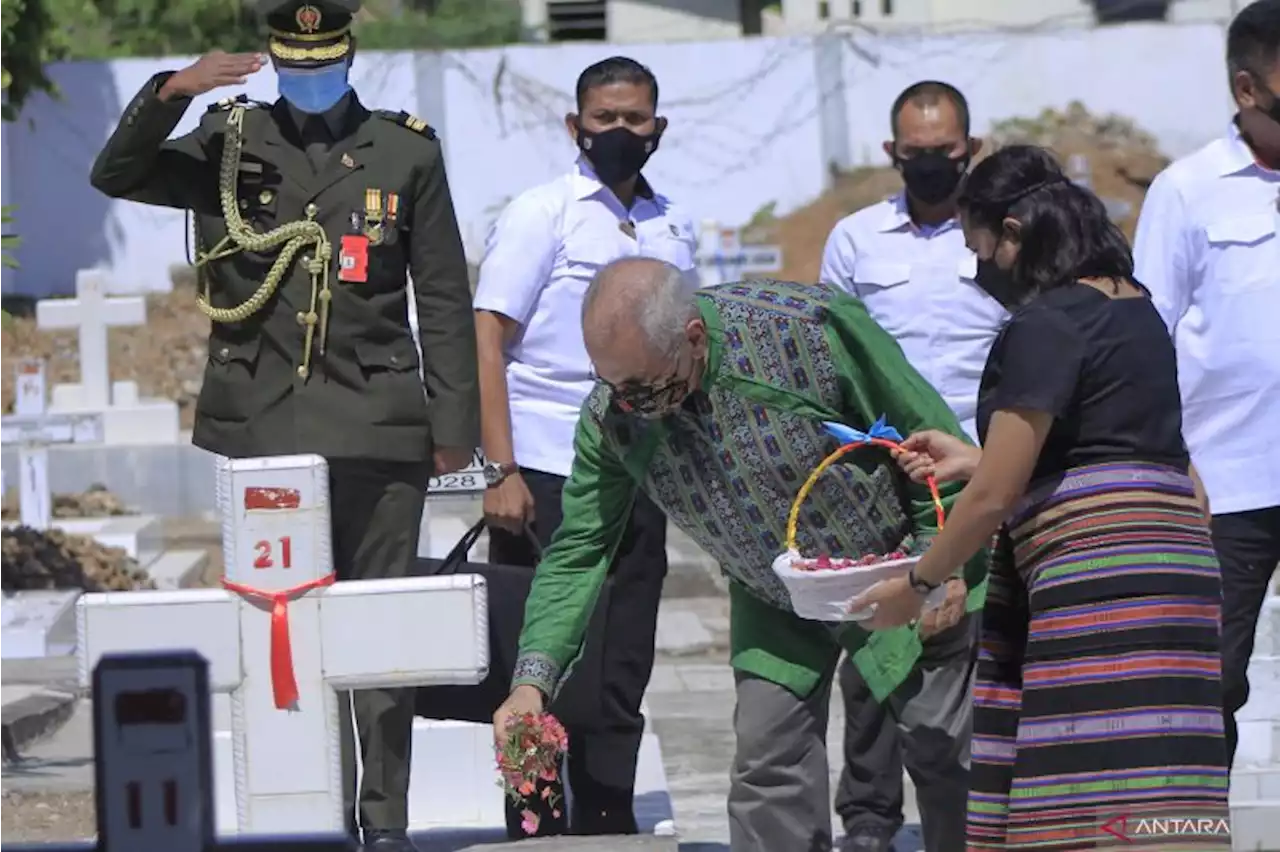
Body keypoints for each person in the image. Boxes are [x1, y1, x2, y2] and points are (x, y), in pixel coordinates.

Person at [88, 3, 479, 849]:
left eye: (323, 60)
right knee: (279, 628)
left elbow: (442, 296)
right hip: (261, 421)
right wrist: (172, 92)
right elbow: (115, 175)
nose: (309, 75)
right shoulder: (228, 141)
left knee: (380, 635)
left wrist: (456, 427)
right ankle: (303, 809)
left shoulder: (405, 150)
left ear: (348, 56)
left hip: (379, 425)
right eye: (293, 62)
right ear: (272, 61)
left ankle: (385, 820)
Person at [492, 257, 987, 852]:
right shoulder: (613, 419)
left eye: (643, 388)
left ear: (694, 339)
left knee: (944, 744)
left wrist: (940, 562)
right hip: (773, 595)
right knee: (767, 762)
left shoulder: (809, 329)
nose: (629, 406)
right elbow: (579, 550)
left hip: (896, 567)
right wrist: (532, 684)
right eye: (611, 385)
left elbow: (930, 436)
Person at [853, 145, 1229, 850]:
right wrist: (971, 457)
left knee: (1083, 788)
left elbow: (997, 496)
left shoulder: (1046, 323)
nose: (978, 267)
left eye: (978, 246)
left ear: (1015, 233)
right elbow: (1111, 436)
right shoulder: (1133, 305)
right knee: (1159, 783)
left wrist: (918, 583)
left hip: (1099, 580)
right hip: (1175, 562)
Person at [472, 55, 697, 838]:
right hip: (545, 466)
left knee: (622, 655)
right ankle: (534, 816)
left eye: (635, 120)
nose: (620, 132)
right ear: (576, 126)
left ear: (657, 129)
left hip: (642, 467)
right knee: (536, 650)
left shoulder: (672, 223)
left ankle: (607, 815)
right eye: (605, 119)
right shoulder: (544, 213)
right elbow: (488, 339)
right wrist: (499, 469)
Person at [819, 80, 1002, 852]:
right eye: (916, 154)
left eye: (947, 153)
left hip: (985, 475)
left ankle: (962, 828)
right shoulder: (857, 241)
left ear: (974, 149)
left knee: (968, 659)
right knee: (873, 652)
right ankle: (867, 824)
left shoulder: (999, 239)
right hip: (882, 482)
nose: (932, 165)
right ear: (892, 153)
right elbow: (828, 357)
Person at [1132, 0, 1280, 771]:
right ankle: (1193, 828)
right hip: (1228, 483)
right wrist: (1168, 456)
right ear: (1249, 90)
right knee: (1209, 680)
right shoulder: (1188, 190)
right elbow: (1144, 337)